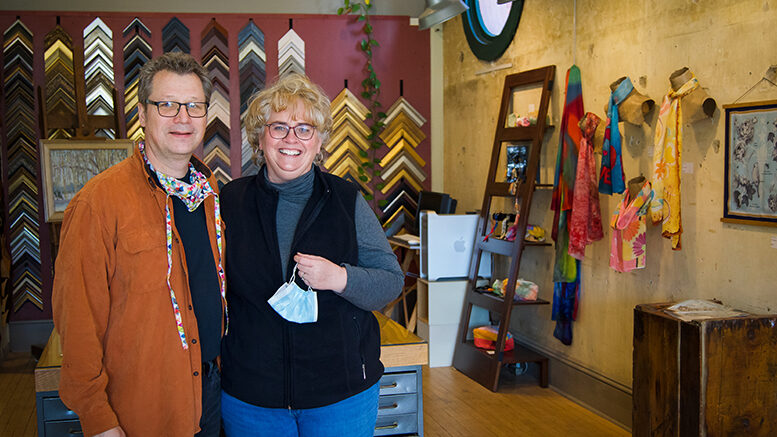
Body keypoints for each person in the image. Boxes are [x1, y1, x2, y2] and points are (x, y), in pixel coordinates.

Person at [219, 73, 404, 437]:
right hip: (252, 398)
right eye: (279, 127)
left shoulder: (346, 200)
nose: (291, 139)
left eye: (305, 129)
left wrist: (340, 278)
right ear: (260, 137)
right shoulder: (229, 202)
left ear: (319, 142)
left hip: (340, 395)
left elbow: (391, 281)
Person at [52, 52, 226, 437]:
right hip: (142, 407)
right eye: (167, 105)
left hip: (211, 393)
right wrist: (99, 420)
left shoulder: (210, 193)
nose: (183, 117)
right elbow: (77, 320)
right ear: (143, 115)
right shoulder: (99, 203)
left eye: (194, 106)